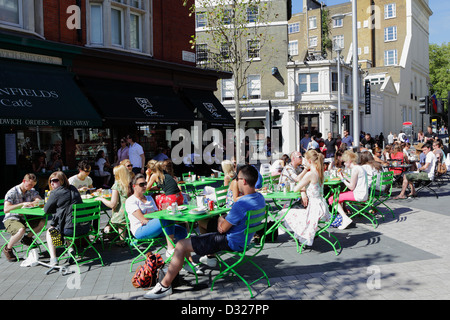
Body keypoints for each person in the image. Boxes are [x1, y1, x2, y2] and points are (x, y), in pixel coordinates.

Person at [143, 164, 266, 299]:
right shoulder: (260, 198)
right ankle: (205, 255)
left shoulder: (241, 203)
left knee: (181, 245)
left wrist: (221, 218)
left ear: (243, 181)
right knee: (203, 224)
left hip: (231, 241)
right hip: (244, 239)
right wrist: (224, 218)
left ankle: (164, 286)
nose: (236, 180)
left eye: (237, 178)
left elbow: (222, 228)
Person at [125, 174, 189, 262]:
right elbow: (143, 219)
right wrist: (154, 219)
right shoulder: (131, 201)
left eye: (145, 184)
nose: (144, 186)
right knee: (165, 218)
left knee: (182, 230)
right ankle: (170, 249)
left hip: (155, 227)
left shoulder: (149, 198)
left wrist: (156, 218)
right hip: (140, 230)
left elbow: (157, 214)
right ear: (134, 186)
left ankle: (186, 260)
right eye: (141, 184)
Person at [283, 150, 331, 246]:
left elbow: (296, 188)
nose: (303, 162)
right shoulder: (319, 172)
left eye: (304, 160)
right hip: (321, 207)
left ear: (309, 161)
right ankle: (303, 235)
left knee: (286, 212)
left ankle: (303, 235)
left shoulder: (310, 174)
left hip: (314, 209)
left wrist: (302, 190)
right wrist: (303, 190)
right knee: (295, 211)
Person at [44, 171, 86, 266]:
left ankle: (53, 259)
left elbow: (46, 210)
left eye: (55, 180)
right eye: (50, 181)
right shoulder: (73, 188)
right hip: (85, 228)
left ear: (62, 181)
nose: (52, 183)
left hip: (71, 230)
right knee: (67, 222)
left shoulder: (55, 193)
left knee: (50, 230)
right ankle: (70, 250)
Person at [2, 174, 45, 262]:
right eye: (30, 185)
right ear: (24, 181)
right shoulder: (12, 192)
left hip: (26, 217)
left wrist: (36, 201)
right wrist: (22, 204)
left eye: (33, 185)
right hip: (12, 218)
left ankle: (27, 238)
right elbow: (6, 209)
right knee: (21, 229)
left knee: (42, 222)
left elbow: (39, 200)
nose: (31, 187)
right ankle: (8, 249)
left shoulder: (31, 190)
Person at [328, 150, 368, 230]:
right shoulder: (359, 167)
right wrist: (345, 177)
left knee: (331, 198)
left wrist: (342, 179)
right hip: (362, 193)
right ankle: (344, 216)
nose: (344, 164)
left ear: (349, 161)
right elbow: (353, 181)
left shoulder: (355, 169)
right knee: (334, 196)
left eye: (345, 162)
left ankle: (345, 218)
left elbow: (351, 187)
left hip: (358, 194)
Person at [97, 165, 132, 239]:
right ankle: (117, 236)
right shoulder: (130, 184)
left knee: (113, 219)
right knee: (112, 220)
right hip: (130, 212)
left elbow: (112, 204)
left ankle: (118, 238)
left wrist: (101, 199)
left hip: (121, 216)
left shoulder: (117, 185)